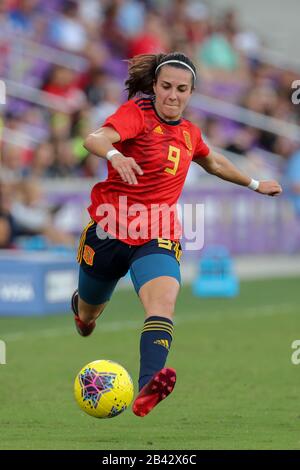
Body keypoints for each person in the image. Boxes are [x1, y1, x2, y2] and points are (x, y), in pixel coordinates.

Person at [71, 52, 282, 417]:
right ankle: (83, 313)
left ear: (191, 92)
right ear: (153, 86)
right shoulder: (136, 115)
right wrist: (115, 155)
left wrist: (254, 183)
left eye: (181, 89)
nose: (172, 95)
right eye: (166, 86)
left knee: (162, 304)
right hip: (107, 232)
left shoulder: (189, 134)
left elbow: (214, 162)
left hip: (158, 234)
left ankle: (148, 386)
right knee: (89, 315)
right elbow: (95, 137)